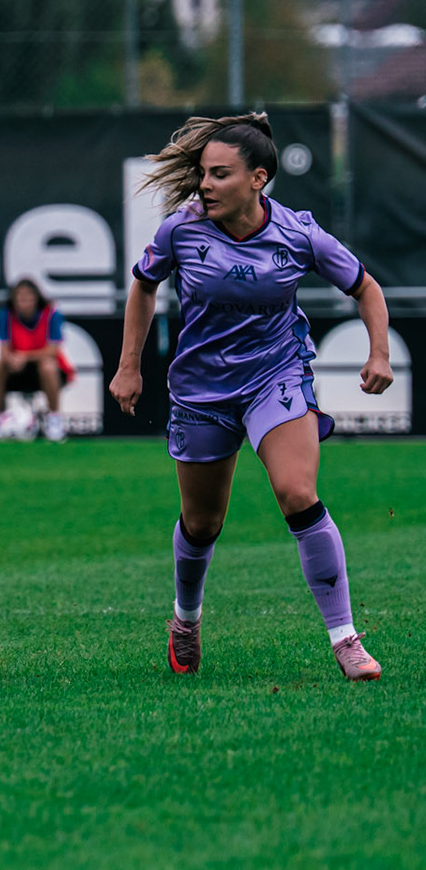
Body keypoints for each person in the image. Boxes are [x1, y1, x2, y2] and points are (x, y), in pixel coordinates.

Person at [110, 113, 391, 681]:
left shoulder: (299, 233)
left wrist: (379, 353)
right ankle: (185, 620)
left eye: (219, 174)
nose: (205, 185)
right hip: (201, 388)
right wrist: (129, 366)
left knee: (297, 492)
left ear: (258, 178)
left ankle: (346, 639)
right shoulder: (180, 230)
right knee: (202, 523)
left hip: (276, 377)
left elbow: (366, 287)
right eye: (202, 174)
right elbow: (143, 285)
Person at [0, 278, 75, 443]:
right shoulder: (6, 314)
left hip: (49, 372)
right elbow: (3, 348)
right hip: (16, 370)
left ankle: (54, 420)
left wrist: (24, 357)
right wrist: (12, 359)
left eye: (28, 296)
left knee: (47, 366)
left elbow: (52, 350)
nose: (24, 301)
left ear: (36, 298)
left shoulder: (51, 314)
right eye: (20, 297)